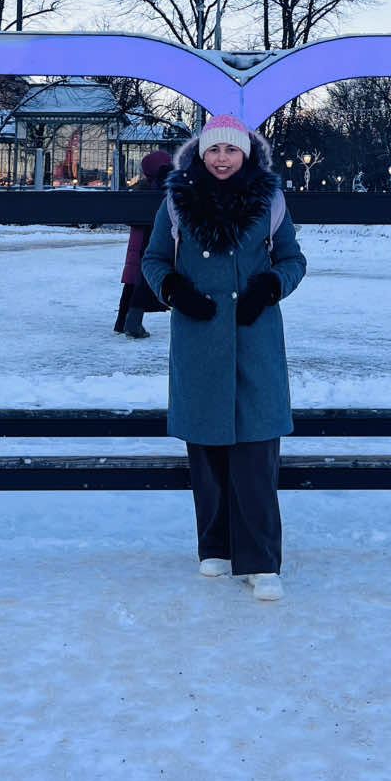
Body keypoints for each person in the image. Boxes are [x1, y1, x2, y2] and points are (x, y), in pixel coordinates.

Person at [141, 114, 306, 602]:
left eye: (231, 150)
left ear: (246, 154)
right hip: (199, 338)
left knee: (256, 452)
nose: (221, 158)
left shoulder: (270, 201)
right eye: (213, 149)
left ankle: (261, 561)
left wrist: (269, 287)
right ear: (201, 153)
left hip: (255, 338)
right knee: (207, 448)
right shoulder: (176, 201)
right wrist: (174, 290)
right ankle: (215, 545)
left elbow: (292, 259)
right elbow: (154, 259)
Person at [113, 150, 173, 338]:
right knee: (145, 280)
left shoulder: (140, 188)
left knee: (133, 282)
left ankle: (122, 322)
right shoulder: (165, 186)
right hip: (151, 239)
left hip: (138, 240)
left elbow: (129, 216)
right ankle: (132, 322)